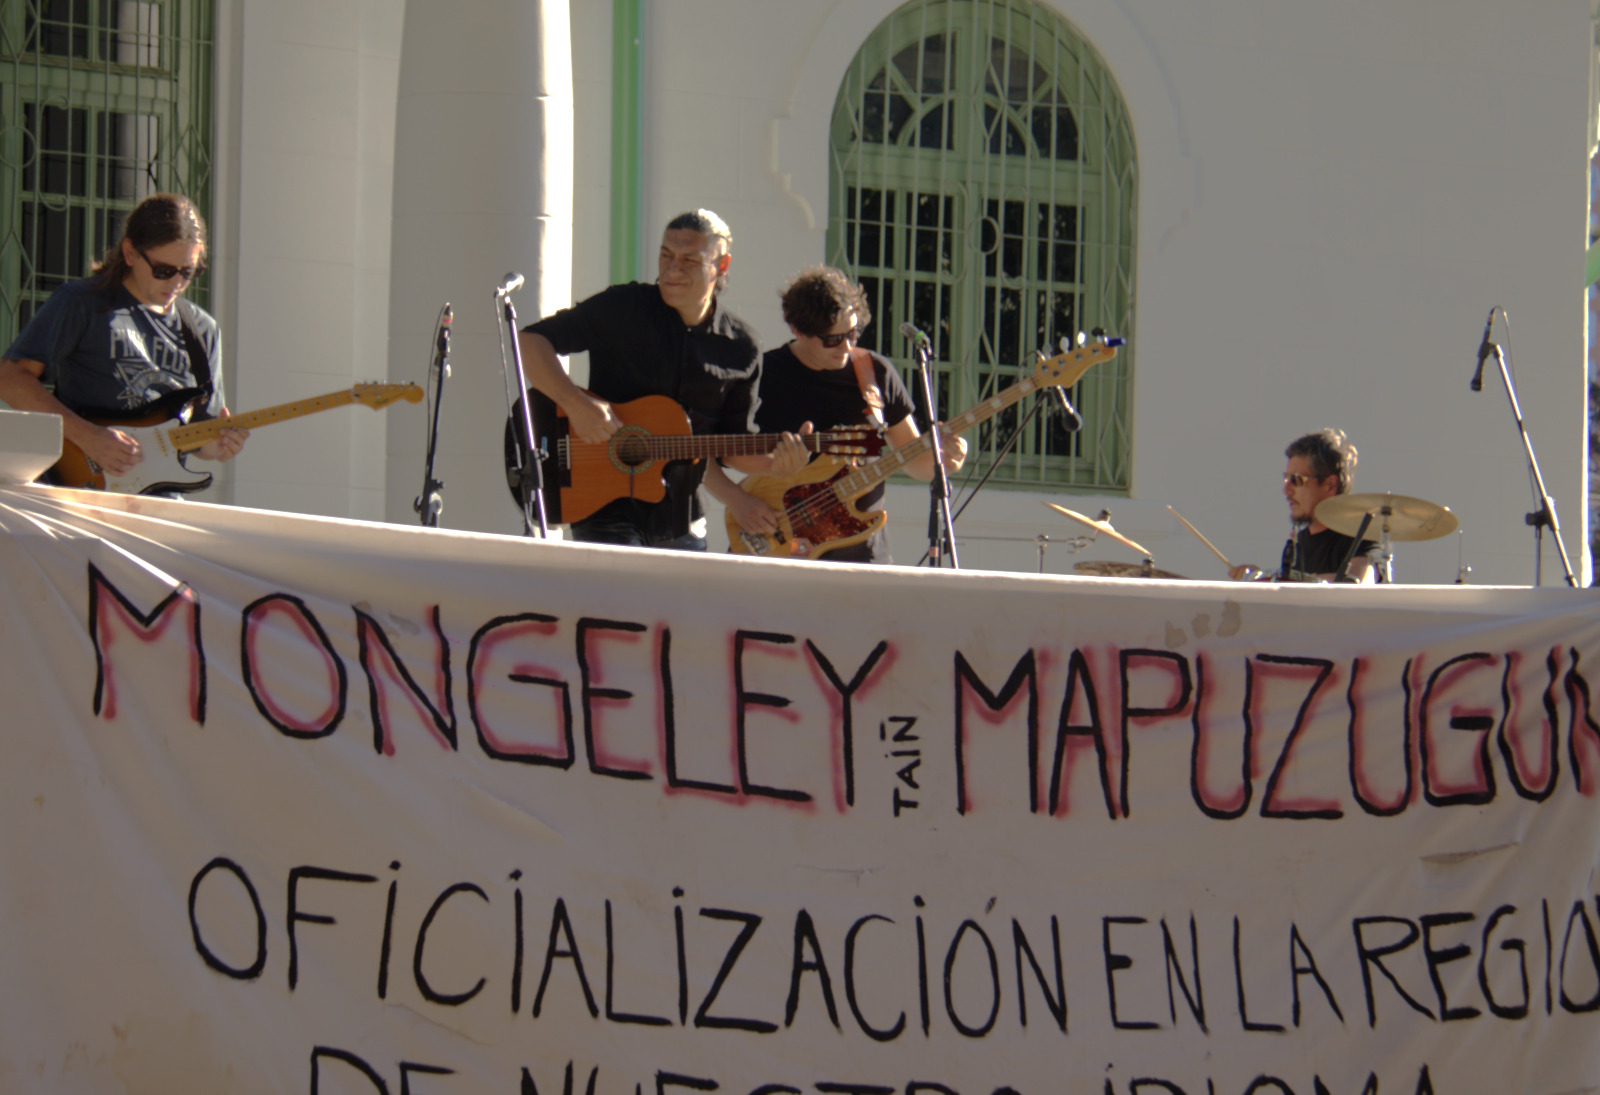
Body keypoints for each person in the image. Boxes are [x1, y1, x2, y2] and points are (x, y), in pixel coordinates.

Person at [516, 209, 807, 550]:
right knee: (615, 602)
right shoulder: (624, 308)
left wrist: (777, 467)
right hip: (602, 505)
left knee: (680, 605)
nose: (672, 270)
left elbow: (732, 446)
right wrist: (574, 404)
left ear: (721, 266)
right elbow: (530, 341)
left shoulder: (742, 348)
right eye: (666, 255)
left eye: (689, 260)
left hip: (680, 517)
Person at [708, 265, 967, 563]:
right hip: (777, 553)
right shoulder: (761, 376)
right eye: (832, 339)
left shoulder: (875, 373)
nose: (846, 346)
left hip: (861, 557)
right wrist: (737, 500)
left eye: (853, 333)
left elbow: (914, 462)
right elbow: (702, 453)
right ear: (798, 330)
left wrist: (944, 460)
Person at [0, 193, 246, 481]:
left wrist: (216, 447)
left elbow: (200, 437)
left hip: (158, 499)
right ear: (130, 253)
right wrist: (88, 436)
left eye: (189, 272)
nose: (176, 283)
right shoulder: (82, 303)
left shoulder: (203, 330)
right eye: (164, 270)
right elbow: (11, 379)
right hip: (81, 490)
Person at [1228, 428, 1375, 583]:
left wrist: (1276, 580)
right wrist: (1259, 579)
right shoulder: (1300, 541)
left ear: (1330, 485)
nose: (1286, 490)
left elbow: (1358, 583)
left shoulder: (1364, 534)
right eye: (1286, 479)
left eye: (1297, 480)